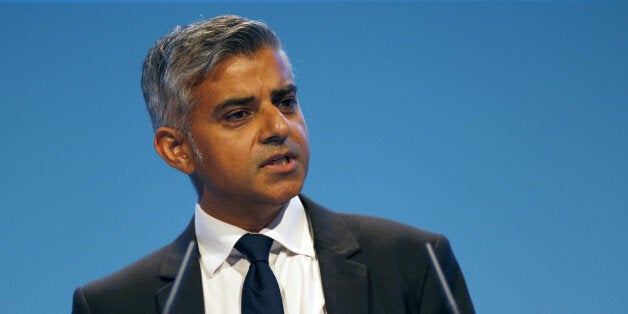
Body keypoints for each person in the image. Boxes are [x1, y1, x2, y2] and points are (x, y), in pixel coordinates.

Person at [72, 15, 474, 314]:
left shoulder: (413, 262)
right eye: (238, 115)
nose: (279, 127)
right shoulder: (113, 305)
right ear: (177, 149)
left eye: (286, 102)